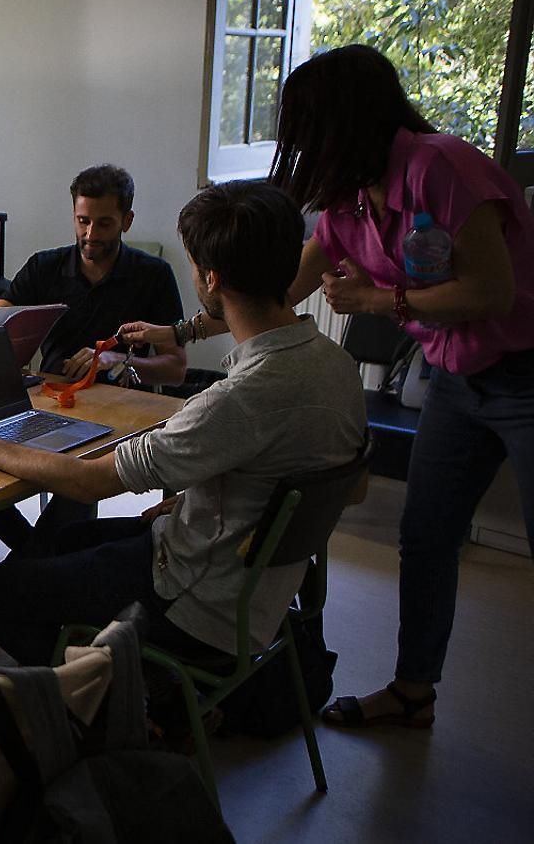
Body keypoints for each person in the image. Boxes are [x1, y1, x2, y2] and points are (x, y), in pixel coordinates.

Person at [126, 44, 534, 728]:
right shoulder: (350, 202)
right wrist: (185, 332)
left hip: (525, 373)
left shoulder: (442, 167)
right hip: (456, 380)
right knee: (427, 537)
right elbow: (271, 287)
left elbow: (492, 292)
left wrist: (379, 301)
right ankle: (413, 691)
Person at [0, 181, 366, 671]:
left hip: (193, 600)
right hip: (243, 583)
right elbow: (351, 486)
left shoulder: (236, 400)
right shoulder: (336, 366)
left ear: (210, 279)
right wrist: (215, 500)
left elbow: (93, 482)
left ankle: (123, 694)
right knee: (58, 546)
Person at [0, 165, 188, 551]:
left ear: (127, 220)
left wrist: (116, 361)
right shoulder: (45, 266)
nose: (90, 235)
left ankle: (27, 574)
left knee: (78, 484)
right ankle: (35, 563)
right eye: (82, 221)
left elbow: (176, 369)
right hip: (49, 402)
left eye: (104, 224)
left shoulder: (153, 275)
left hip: (120, 414)